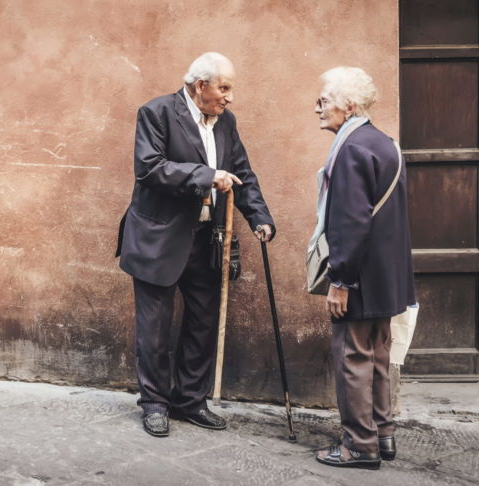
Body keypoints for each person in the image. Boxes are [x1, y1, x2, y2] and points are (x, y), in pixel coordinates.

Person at [115, 52, 275, 437]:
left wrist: (260, 218)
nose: (229, 97)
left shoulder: (227, 122)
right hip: (158, 239)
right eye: (224, 87)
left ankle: (190, 400)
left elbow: (242, 173)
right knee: (154, 329)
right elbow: (150, 168)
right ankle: (154, 403)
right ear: (200, 85)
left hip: (207, 240)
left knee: (203, 323)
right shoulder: (156, 113)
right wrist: (206, 175)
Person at [309, 67, 415, 469]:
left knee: (353, 357)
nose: (317, 108)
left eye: (324, 101)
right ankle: (383, 435)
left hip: (360, 277)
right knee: (378, 355)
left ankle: (359, 445)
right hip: (386, 276)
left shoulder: (351, 148)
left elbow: (351, 221)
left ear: (348, 106)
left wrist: (341, 281)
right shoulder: (385, 143)